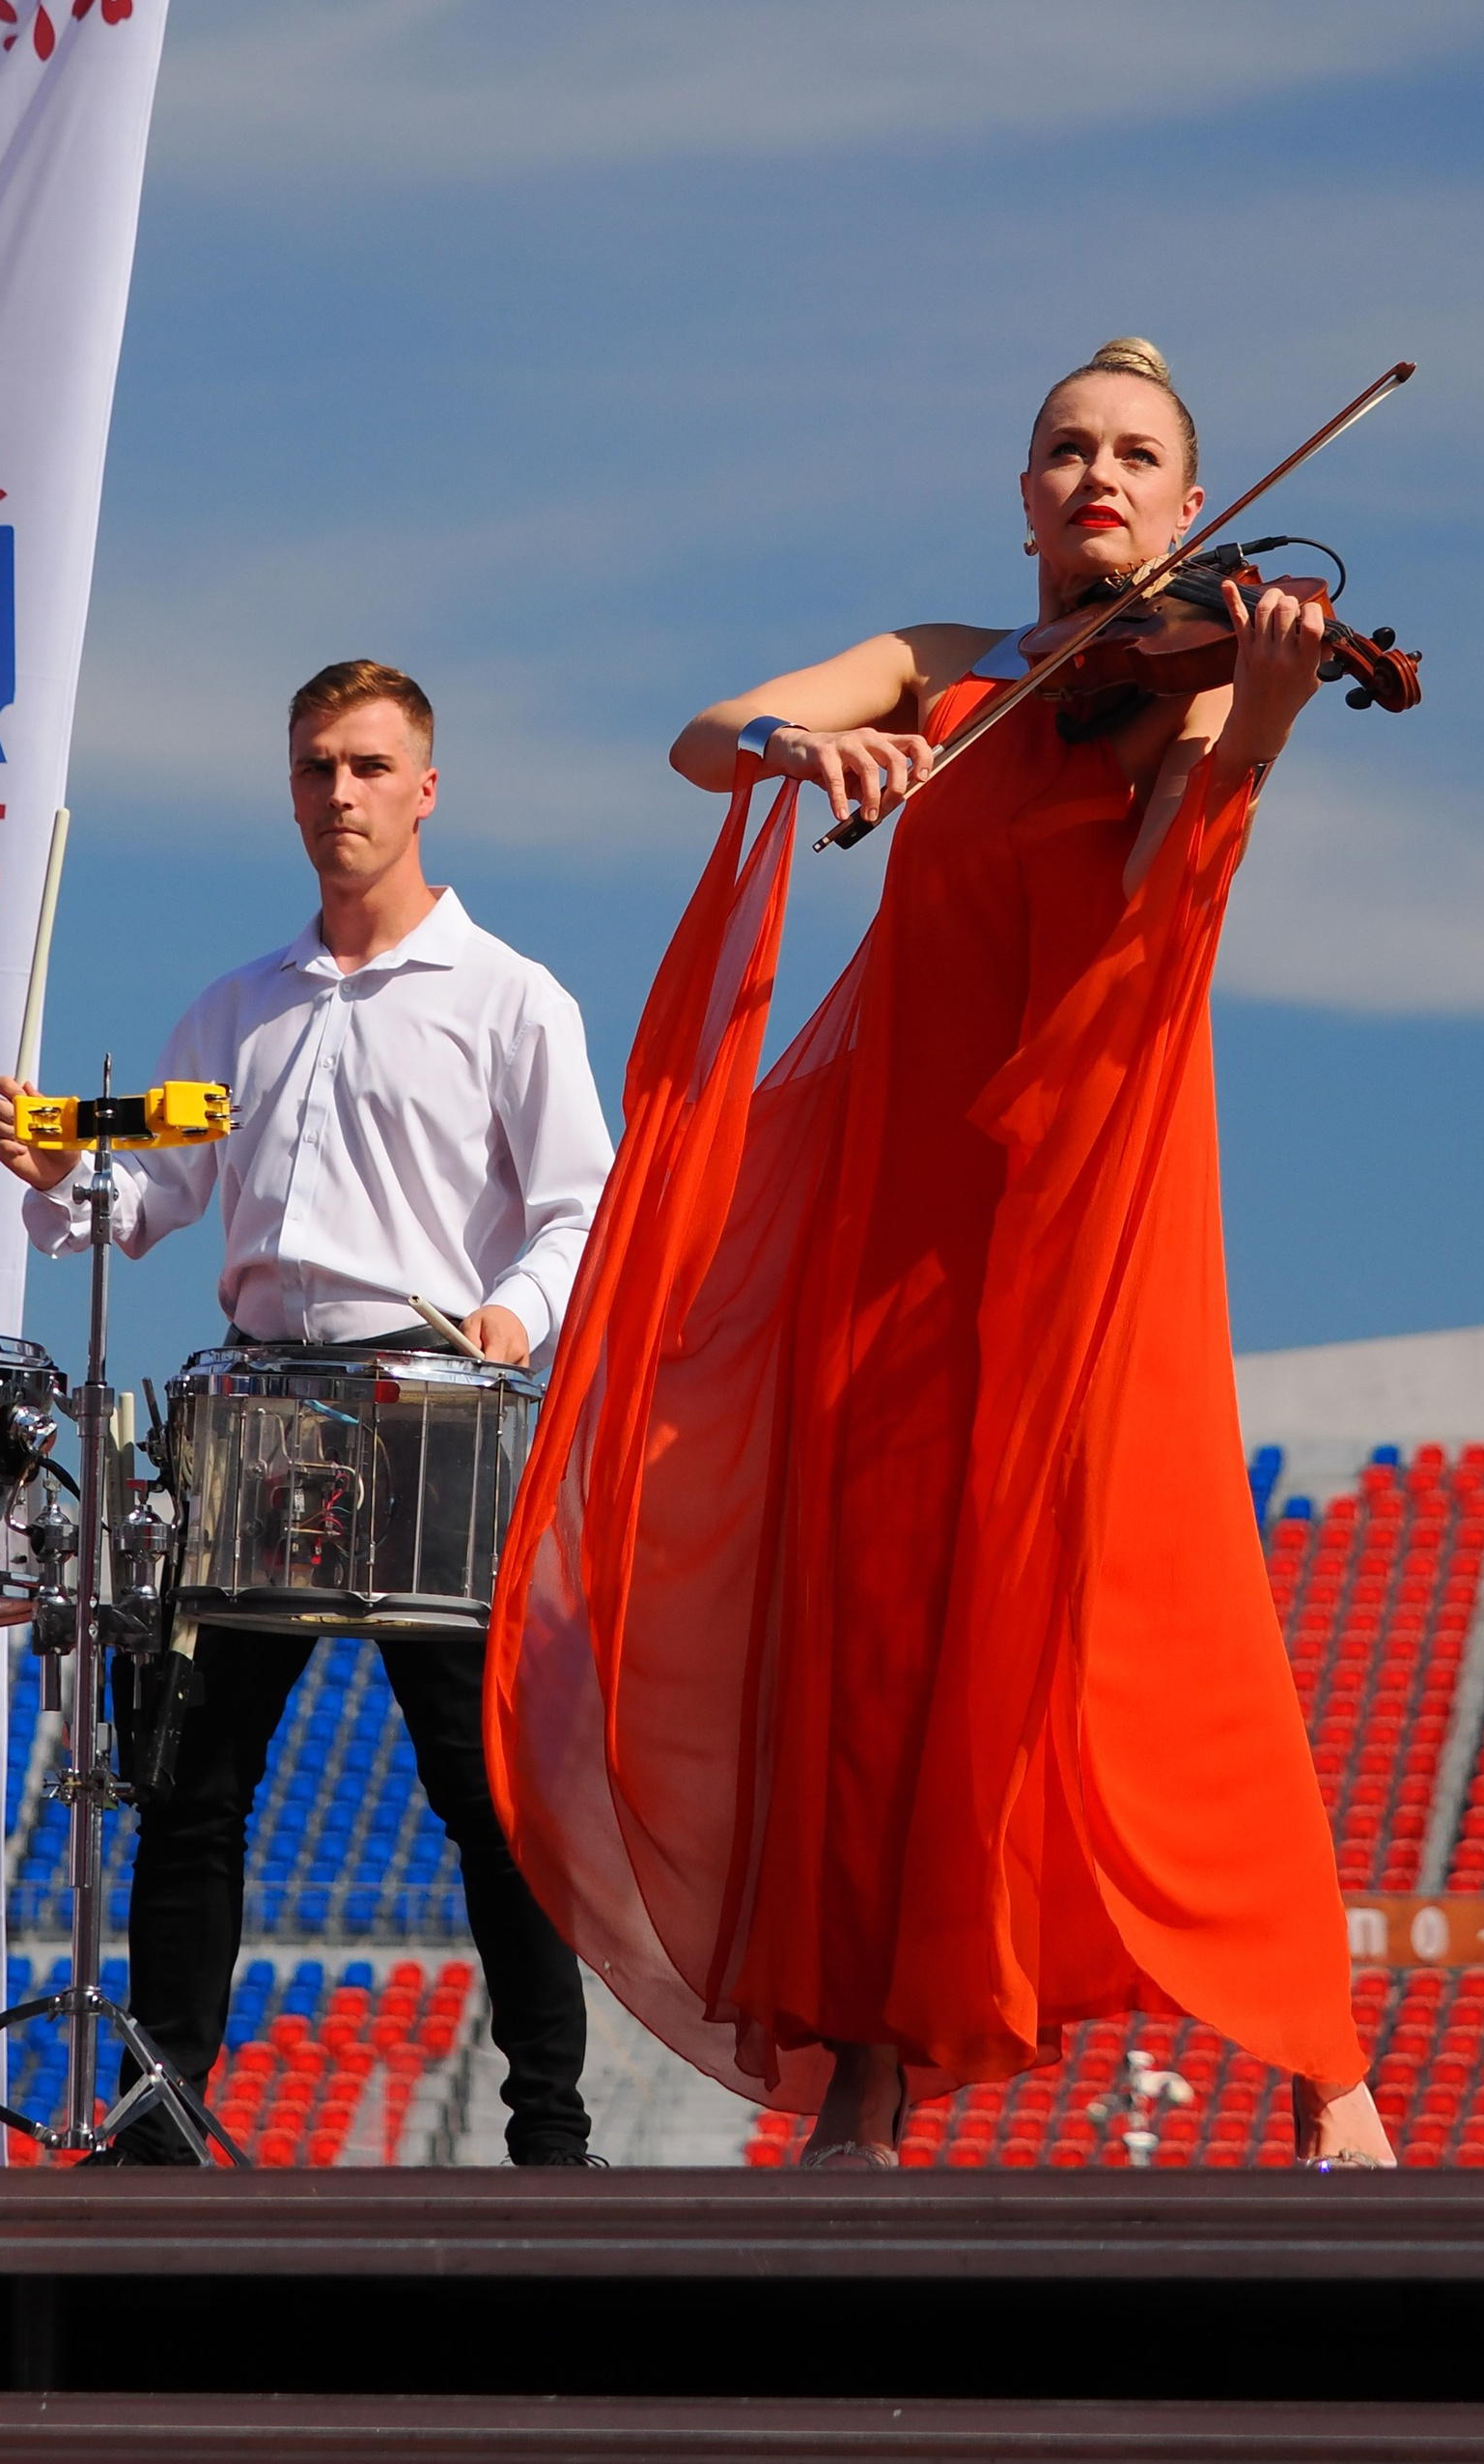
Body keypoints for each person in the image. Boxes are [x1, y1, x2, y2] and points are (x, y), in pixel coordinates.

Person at [483, 341, 1397, 2171]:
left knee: (1159, 1585)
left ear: (1191, 505)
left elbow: (1150, 937)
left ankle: (1327, 2070)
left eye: (1137, 454)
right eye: (1067, 448)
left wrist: (1267, 731)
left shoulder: (1191, 696)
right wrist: (795, 743)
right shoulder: (942, 665)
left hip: (1086, 1192)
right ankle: (875, 2070)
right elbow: (701, 736)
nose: (1098, 477)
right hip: (896, 1204)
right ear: (1027, 489)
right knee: (881, 1623)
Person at [0, 657, 613, 2166]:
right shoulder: (238, 1009)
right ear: (292, 787)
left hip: (429, 1408)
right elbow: (150, 1193)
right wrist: (61, 1171)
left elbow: (583, 1209)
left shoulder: (512, 997)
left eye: (369, 766)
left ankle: (549, 2123)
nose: (341, 793)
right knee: (192, 1782)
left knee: (485, 1792)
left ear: (425, 788)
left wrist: (513, 1315)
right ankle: (169, 2108)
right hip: (257, 1414)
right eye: (317, 767)